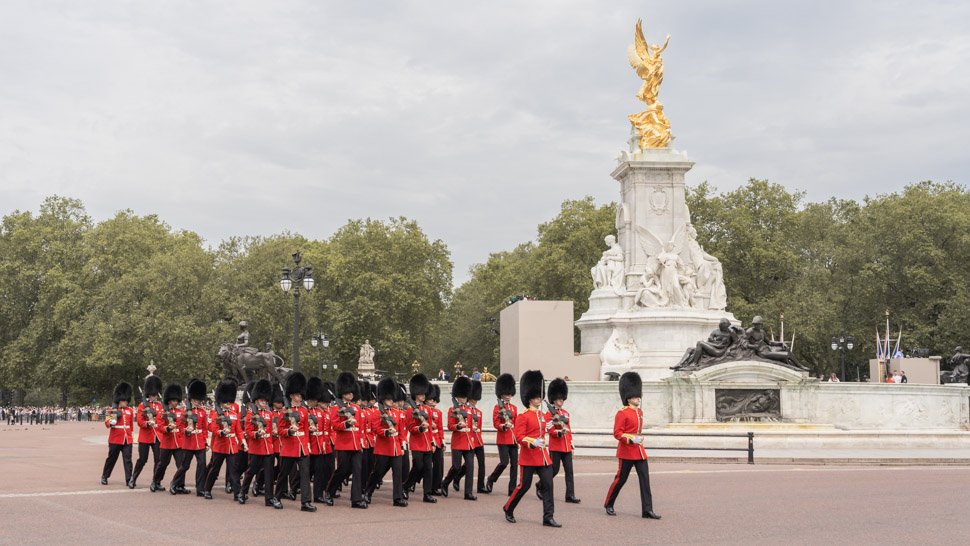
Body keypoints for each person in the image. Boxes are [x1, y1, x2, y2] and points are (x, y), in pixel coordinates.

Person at [503, 370, 560, 527]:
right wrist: (532, 442)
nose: (538, 399)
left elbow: (544, 431)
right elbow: (519, 436)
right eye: (535, 397)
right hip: (529, 456)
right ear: (529, 398)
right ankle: (508, 508)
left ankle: (548, 517)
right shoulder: (523, 415)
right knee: (524, 486)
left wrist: (549, 427)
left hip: (543, 456)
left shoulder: (542, 415)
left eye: (539, 396)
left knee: (548, 485)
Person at [605, 372, 660, 520]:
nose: (638, 397)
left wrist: (637, 441)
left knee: (645, 481)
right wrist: (630, 440)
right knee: (621, 479)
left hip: (639, 451)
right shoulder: (622, 413)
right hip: (627, 452)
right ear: (628, 397)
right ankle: (609, 503)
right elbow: (617, 433)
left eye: (638, 395)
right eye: (635, 396)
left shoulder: (640, 412)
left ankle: (647, 510)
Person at [273, 373, 315, 512]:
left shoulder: (304, 411)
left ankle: (306, 502)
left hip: (302, 447)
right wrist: (289, 431)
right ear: (291, 395)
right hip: (289, 448)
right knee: (283, 474)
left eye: (300, 394)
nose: (299, 397)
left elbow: (305, 430)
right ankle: (277, 497)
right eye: (297, 394)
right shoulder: (284, 412)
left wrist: (308, 442)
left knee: (305, 475)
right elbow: (280, 430)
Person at [363, 378, 407, 507]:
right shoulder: (377, 413)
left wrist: (402, 444)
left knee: (398, 473)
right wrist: (386, 432)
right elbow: (375, 428)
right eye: (388, 399)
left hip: (396, 448)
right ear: (383, 399)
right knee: (378, 472)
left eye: (392, 398)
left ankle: (397, 498)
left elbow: (401, 431)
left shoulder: (397, 413)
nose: (391, 401)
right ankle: (368, 492)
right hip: (383, 448)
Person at [537, 378, 580, 504]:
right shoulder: (548, 414)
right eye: (559, 398)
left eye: (562, 398)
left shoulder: (566, 414)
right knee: (554, 470)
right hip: (556, 447)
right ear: (554, 399)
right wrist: (560, 432)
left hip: (566, 447)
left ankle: (570, 495)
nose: (561, 400)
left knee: (569, 472)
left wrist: (571, 446)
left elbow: (569, 430)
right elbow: (550, 431)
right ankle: (540, 485)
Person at [327, 372, 366, 508]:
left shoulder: (357, 409)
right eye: (348, 392)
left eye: (352, 392)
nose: (351, 394)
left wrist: (361, 442)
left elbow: (361, 428)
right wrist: (347, 424)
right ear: (342, 392)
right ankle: (330, 492)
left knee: (357, 470)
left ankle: (356, 499)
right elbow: (335, 426)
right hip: (343, 444)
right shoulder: (336, 408)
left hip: (356, 445)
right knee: (342, 470)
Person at [240, 379, 280, 508]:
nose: (264, 402)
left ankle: (269, 498)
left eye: (265, 400)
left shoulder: (270, 414)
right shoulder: (250, 415)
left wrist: (274, 433)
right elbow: (249, 432)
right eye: (262, 400)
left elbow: (271, 430)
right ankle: (243, 492)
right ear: (256, 401)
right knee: (251, 471)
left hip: (268, 449)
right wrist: (257, 434)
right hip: (256, 449)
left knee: (269, 474)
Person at [203, 380, 245, 502]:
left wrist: (243, 442)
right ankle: (207, 489)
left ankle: (238, 493)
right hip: (220, 446)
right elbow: (214, 429)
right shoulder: (216, 414)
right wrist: (221, 432)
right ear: (221, 402)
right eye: (226, 402)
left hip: (232, 446)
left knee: (234, 471)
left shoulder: (234, 414)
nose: (228, 404)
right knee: (215, 470)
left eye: (229, 402)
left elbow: (239, 431)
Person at [441, 376, 476, 500]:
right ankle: (445, 483)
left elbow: (472, 427)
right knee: (456, 467)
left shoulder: (470, 411)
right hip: (458, 441)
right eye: (461, 397)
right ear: (457, 397)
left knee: (470, 467)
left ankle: (468, 493)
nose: (463, 399)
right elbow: (450, 426)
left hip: (468, 442)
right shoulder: (452, 409)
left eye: (465, 396)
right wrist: (458, 426)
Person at [171, 379, 208, 496]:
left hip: (200, 443)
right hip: (189, 443)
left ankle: (200, 488)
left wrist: (205, 442)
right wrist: (186, 431)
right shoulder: (184, 412)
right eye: (196, 399)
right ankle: (174, 483)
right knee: (185, 466)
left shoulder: (202, 412)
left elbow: (205, 428)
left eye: (199, 399)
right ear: (191, 399)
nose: (198, 401)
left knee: (202, 465)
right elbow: (180, 427)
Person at [403, 373, 436, 503]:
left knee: (428, 469)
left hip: (427, 443)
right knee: (419, 467)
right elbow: (411, 428)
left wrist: (432, 442)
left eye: (424, 393)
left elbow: (431, 430)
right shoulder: (410, 410)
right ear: (416, 393)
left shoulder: (428, 410)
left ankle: (427, 494)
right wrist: (421, 428)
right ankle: (405, 486)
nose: (424, 395)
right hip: (417, 443)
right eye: (421, 393)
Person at [487, 373, 518, 496]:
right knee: (504, 463)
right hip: (503, 439)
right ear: (502, 393)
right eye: (507, 393)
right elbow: (496, 423)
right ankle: (491, 479)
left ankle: (512, 489)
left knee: (515, 465)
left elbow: (516, 422)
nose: (509, 395)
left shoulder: (514, 408)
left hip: (513, 439)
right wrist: (504, 426)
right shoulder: (497, 407)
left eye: (510, 393)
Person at [130, 376, 163, 489]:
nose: (155, 396)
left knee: (158, 461)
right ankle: (133, 478)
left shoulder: (160, 406)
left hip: (157, 437)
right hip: (145, 436)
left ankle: (155, 482)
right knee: (142, 459)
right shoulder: (142, 406)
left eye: (156, 394)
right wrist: (147, 424)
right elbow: (139, 421)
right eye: (153, 394)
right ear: (148, 394)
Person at [454, 380, 487, 494]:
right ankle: (457, 477)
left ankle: (480, 486)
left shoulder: (479, 412)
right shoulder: (465, 410)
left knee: (482, 464)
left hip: (478, 441)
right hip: (470, 441)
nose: (474, 400)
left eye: (476, 398)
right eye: (473, 398)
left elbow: (479, 428)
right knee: (468, 465)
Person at [150, 383, 184, 493]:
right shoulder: (163, 413)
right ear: (169, 401)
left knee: (181, 465)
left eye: (176, 400)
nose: (175, 402)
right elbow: (160, 427)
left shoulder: (181, 412)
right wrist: (168, 428)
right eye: (173, 400)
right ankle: (155, 481)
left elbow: (182, 426)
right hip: (167, 442)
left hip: (178, 443)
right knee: (163, 464)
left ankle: (179, 485)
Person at [305, 376, 333, 506]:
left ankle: (317, 495)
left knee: (319, 471)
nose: (315, 402)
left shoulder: (320, 412)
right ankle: (294, 488)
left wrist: (323, 443)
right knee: (306, 472)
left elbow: (323, 429)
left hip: (318, 445)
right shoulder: (303, 410)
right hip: (307, 445)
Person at [101, 382, 135, 486]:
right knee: (111, 459)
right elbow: (107, 423)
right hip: (115, 438)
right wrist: (111, 423)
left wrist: (130, 436)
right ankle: (105, 476)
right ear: (119, 400)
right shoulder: (111, 410)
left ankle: (129, 479)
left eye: (126, 400)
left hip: (127, 438)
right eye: (124, 400)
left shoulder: (130, 410)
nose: (126, 402)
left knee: (128, 460)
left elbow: (130, 426)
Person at [427, 384, 446, 496]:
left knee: (438, 465)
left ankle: (435, 486)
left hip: (437, 441)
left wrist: (442, 441)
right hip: (428, 441)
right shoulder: (423, 411)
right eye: (431, 398)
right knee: (426, 466)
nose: (433, 400)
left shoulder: (438, 412)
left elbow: (440, 428)